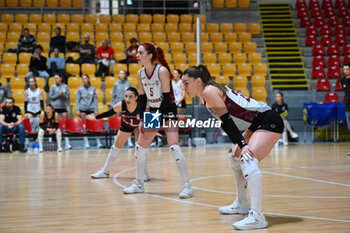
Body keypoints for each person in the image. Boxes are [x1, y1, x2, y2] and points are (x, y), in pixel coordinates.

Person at [181, 65, 284, 230]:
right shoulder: (207, 95)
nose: (183, 88)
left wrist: (243, 144)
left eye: (186, 83)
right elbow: (227, 123)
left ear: (198, 81)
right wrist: (239, 143)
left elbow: (227, 121)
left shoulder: (209, 90)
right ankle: (242, 203)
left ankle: (258, 217)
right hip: (255, 123)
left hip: (267, 119)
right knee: (234, 156)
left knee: (247, 157)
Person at [122, 43, 193, 199]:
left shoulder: (161, 71)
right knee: (140, 147)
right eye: (137, 53)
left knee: (174, 147)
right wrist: (141, 119)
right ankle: (139, 184)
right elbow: (141, 98)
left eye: (140, 53)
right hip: (153, 110)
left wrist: (157, 119)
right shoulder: (140, 73)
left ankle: (188, 187)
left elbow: (167, 98)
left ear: (149, 56)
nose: (137, 56)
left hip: (167, 110)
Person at [89, 87, 150, 181]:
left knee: (140, 149)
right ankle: (105, 172)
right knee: (115, 148)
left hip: (138, 127)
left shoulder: (143, 106)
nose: (127, 99)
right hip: (126, 126)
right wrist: (96, 117)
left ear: (136, 97)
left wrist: (153, 130)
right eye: (126, 96)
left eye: (130, 97)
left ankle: (144, 174)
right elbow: (109, 112)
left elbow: (153, 115)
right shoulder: (121, 105)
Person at [76, 74, 103, 149]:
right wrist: (77, 110)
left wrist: (96, 110)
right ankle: (86, 142)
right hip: (83, 108)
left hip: (91, 108)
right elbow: (77, 100)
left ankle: (98, 142)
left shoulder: (92, 88)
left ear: (88, 79)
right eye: (83, 79)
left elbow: (95, 100)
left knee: (94, 124)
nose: (84, 80)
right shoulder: (79, 89)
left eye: (86, 78)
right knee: (84, 125)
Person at [49, 73, 72, 150]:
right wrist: (58, 95)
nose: (56, 80)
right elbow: (51, 97)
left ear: (61, 78)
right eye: (55, 78)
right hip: (55, 107)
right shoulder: (52, 87)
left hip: (63, 107)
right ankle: (53, 141)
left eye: (57, 78)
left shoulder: (65, 86)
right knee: (54, 125)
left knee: (65, 125)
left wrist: (62, 95)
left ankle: (67, 143)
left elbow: (67, 97)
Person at [111, 69, 133, 147]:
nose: (121, 75)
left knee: (127, 123)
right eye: (120, 73)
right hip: (118, 105)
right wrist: (113, 106)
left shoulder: (129, 83)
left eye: (123, 73)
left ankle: (129, 141)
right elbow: (113, 96)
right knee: (117, 122)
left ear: (125, 75)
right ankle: (116, 140)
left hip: (127, 105)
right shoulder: (116, 84)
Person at [172, 69, 187, 145]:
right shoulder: (172, 83)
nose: (174, 74)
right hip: (175, 103)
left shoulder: (181, 83)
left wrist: (177, 103)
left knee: (180, 122)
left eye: (175, 73)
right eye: (173, 73)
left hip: (180, 103)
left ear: (179, 74)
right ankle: (175, 140)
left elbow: (183, 95)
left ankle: (184, 140)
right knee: (174, 122)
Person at [342, 63, 350, 156]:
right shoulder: (342, 80)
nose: (345, 71)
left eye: (347, 69)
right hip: (347, 107)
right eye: (344, 69)